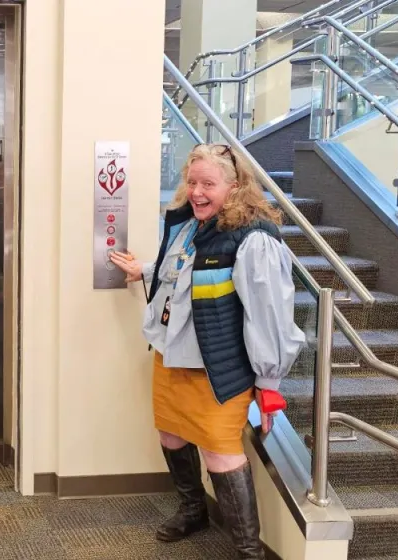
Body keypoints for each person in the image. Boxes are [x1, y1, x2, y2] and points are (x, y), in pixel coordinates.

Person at [109, 144, 305, 559]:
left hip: (217, 368)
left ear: (235, 187)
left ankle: (248, 551)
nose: (197, 191)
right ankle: (194, 509)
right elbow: (180, 270)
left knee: (220, 453)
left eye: (208, 184)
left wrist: (269, 382)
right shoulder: (188, 226)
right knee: (171, 434)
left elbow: (270, 316)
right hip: (171, 355)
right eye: (192, 181)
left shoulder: (253, 239)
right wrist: (142, 270)